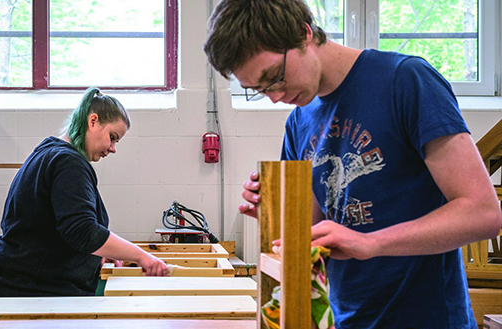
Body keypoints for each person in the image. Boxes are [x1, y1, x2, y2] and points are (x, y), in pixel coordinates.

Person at [204, 0, 502, 328]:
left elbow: (482, 214)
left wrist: (370, 243)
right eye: (257, 90)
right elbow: (312, 234)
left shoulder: (405, 81)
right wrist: (274, 215)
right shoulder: (298, 121)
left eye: (274, 77)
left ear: (303, 34)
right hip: (347, 320)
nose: (274, 96)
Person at [0, 87, 168, 297]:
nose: (113, 148)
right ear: (93, 121)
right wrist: (142, 257)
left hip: (20, 282)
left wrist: (91, 256)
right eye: (113, 137)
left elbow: (48, 228)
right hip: (34, 291)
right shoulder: (69, 163)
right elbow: (82, 231)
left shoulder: (49, 151)